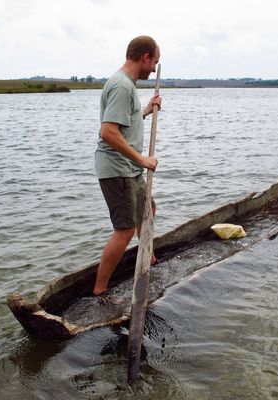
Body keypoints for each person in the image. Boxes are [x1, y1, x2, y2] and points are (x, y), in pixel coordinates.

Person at [93, 35, 162, 296]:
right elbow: (108, 132)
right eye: (154, 62)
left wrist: (144, 111)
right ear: (145, 57)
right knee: (124, 230)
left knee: (148, 209)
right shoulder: (122, 86)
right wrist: (142, 159)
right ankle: (100, 290)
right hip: (118, 169)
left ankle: (149, 259)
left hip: (129, 169)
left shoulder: (127, 85)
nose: (154, 68)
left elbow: (124, 122)